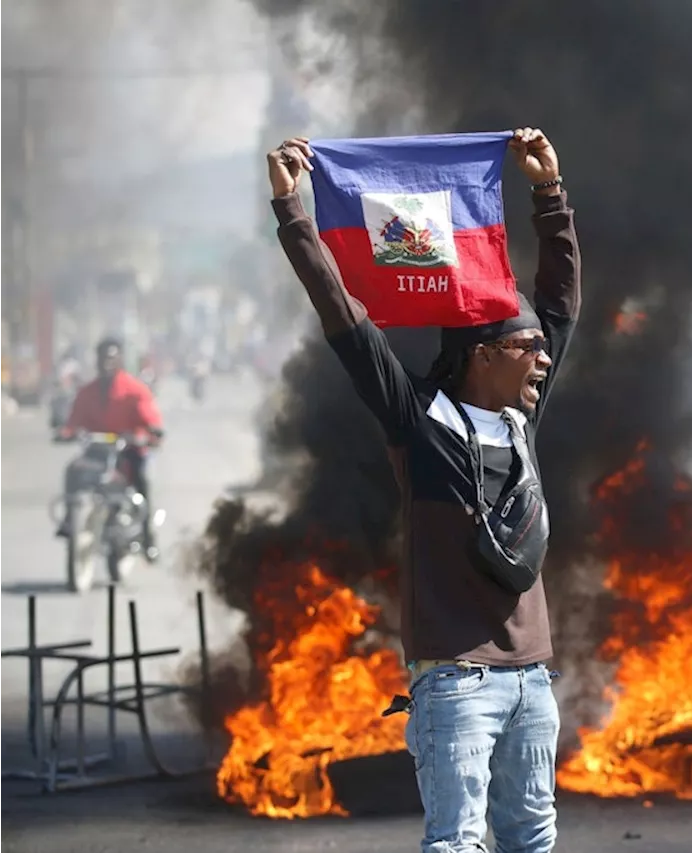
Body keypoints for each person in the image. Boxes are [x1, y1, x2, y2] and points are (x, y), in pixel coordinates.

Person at [268, 127, 579, 853]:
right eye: (525, 347)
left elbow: (561, 304)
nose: (542, 357)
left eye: (540, 349)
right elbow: (343, 315)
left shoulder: (520, 422)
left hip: (533, 680)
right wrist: (293, 211)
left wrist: (548, 193)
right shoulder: (421, 422)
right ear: (480, 357)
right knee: (458, 843)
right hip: (456, 686)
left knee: (532, 837)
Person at [59, 336, 164, 561]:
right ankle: (70, 521)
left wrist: (150, 433)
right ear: (96, 361)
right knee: (73, 471)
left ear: (120, 360)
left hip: (128, 452)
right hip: (97, 452)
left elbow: (150, 419)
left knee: (142, 481)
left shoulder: (135, 390)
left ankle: (148, 538)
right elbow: (73, 422)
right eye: (102, 358)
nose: (107, 363)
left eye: (111, 358)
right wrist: (66, 433)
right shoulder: (87, 392)